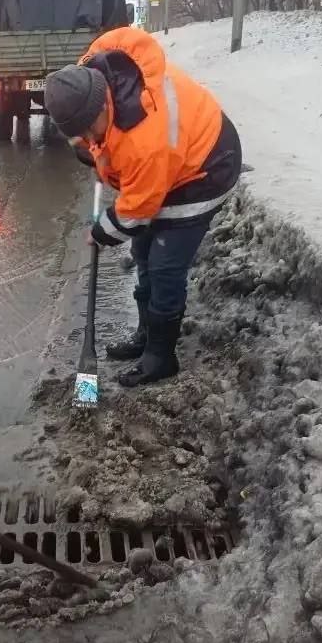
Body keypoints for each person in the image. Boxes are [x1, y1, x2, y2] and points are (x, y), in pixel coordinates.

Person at [44, 26, 241, 387]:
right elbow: (110, 148)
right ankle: (145, 334)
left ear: (103, 103)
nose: (88, 139)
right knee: (143, 249)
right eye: (79, 134)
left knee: (164, 263)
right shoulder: (92, 81)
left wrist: (103, 230)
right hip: (172, 159)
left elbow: (137, 207)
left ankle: (161, 355)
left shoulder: (144, 137)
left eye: (90, 130)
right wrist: (95, 150)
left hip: (206, 166)